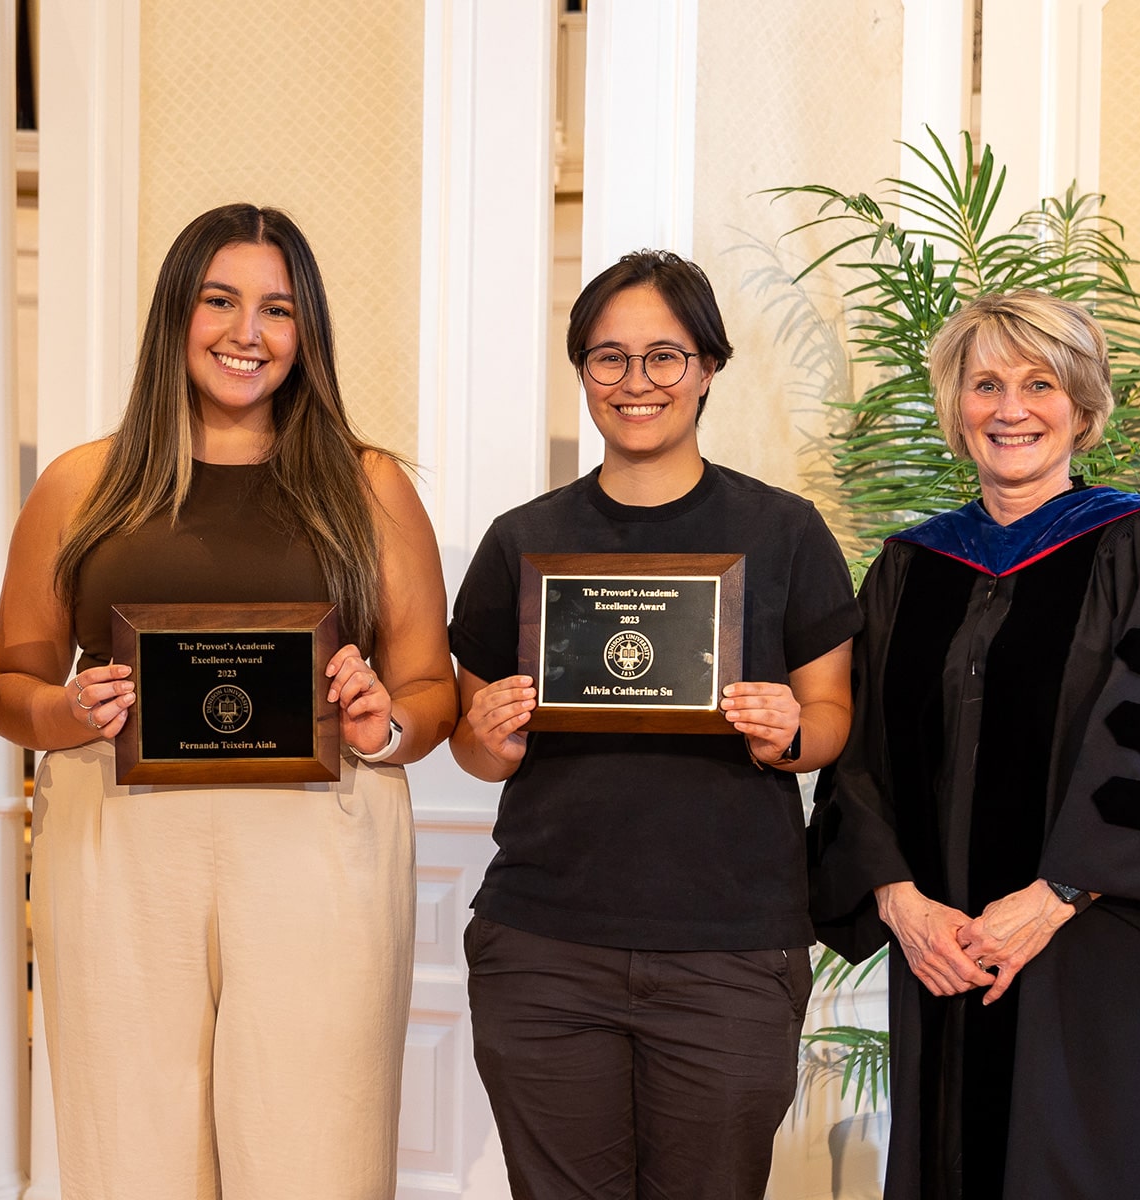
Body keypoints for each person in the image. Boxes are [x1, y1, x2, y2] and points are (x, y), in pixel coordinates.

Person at [0, 203, 457, 1199]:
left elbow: (431, 687)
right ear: (175, 315)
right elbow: (10, 687)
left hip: (321, 847)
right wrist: (64, 712)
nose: (247, 332)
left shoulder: (367, 487)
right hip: (117, 847)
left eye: (277, 309)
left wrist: (388, 721)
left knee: (313, 1153)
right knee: (130, 1151)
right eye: (221, 301)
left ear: (306, 331)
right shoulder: (81, 483)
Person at [806, 290, 1140, 1199]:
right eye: (984, 383)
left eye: (1039, 383)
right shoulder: (910, 568)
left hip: (1097, 944)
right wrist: (904, 905)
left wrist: (1053, 895)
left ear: (1082, 403)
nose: (1010, 408)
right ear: (956, 405)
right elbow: (858, 755)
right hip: (944, 949)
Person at [447, 249, 861, 1199]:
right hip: (544, 949)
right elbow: (473, 747)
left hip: (732, 950)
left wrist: (788, 729)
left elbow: (832, 718)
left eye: (665, 356)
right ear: (583, 371)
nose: (637, 383)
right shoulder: (522, 540)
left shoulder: (785, 532)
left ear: (709, 367)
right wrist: (490, 734)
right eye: (609, 358)